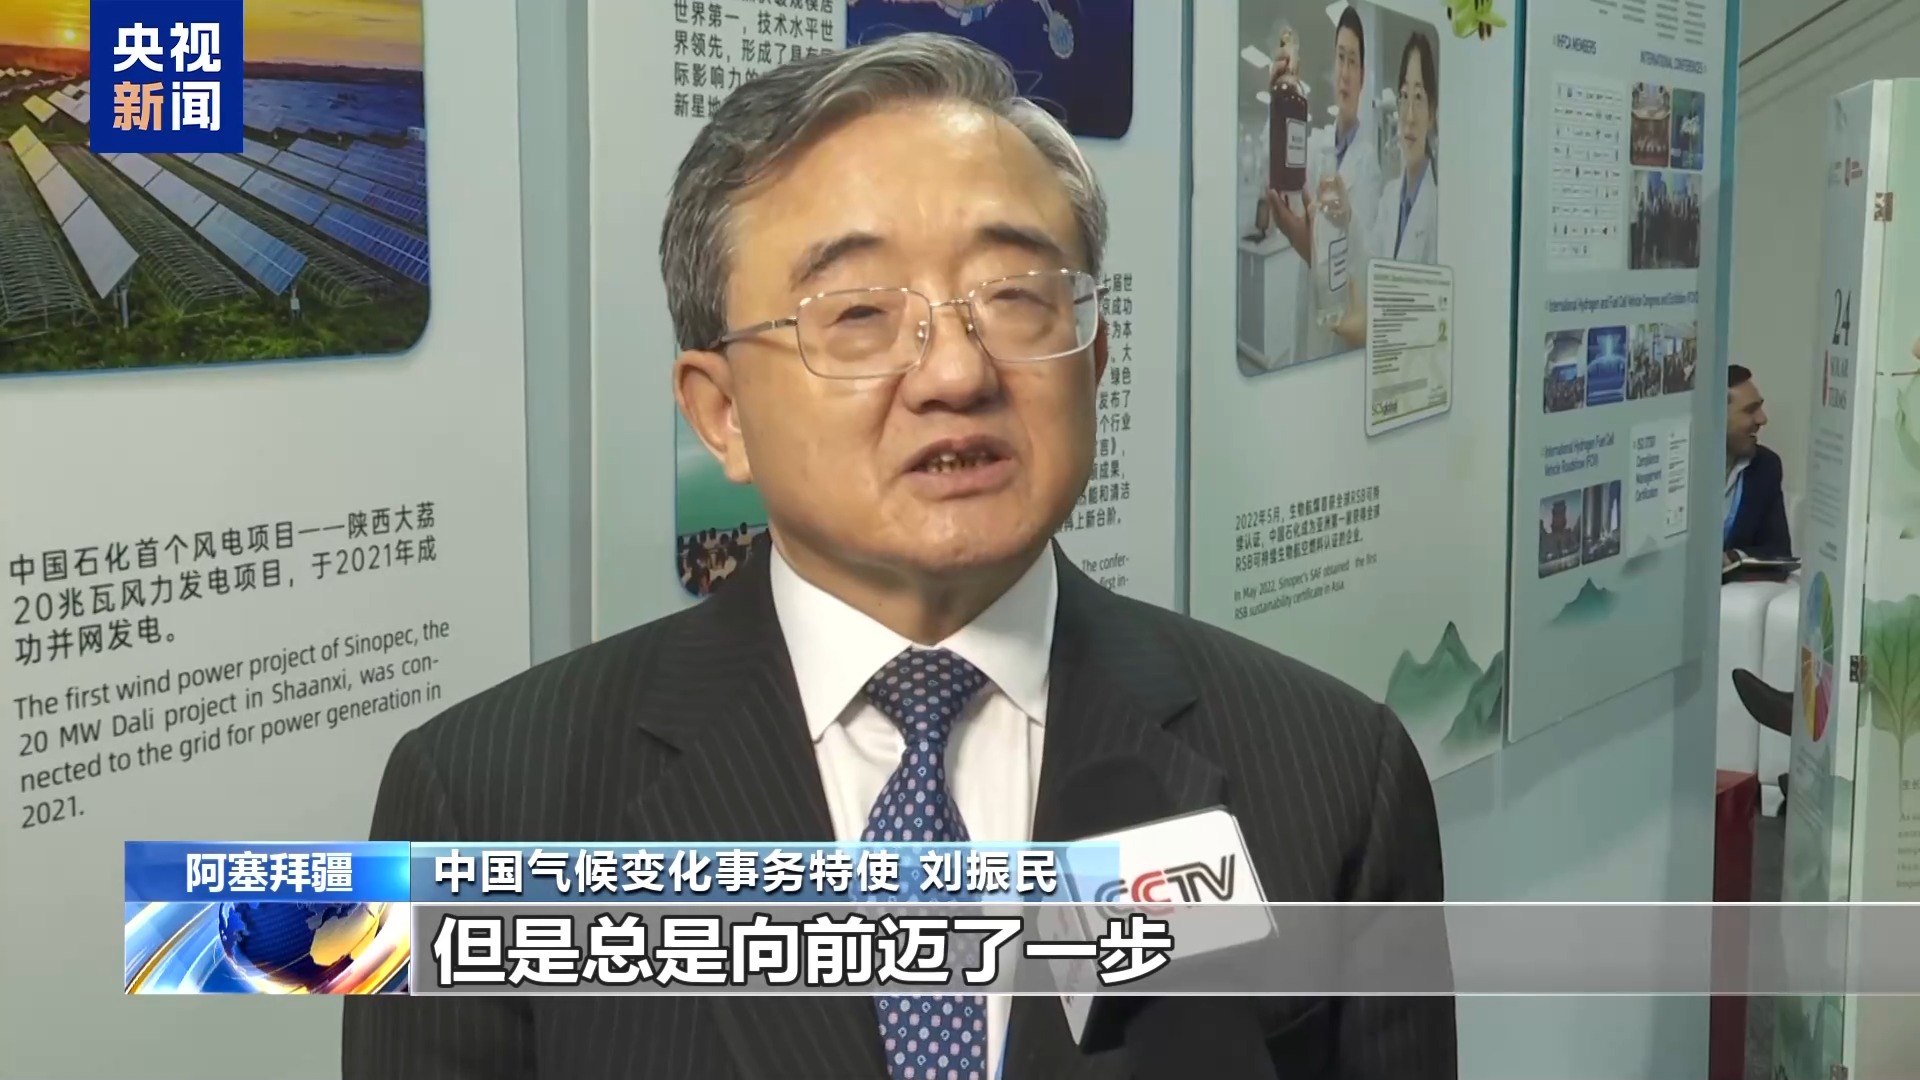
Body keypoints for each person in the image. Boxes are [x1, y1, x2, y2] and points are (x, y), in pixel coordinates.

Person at [342, 34, 1452, 1080]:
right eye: (860, 313)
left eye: (1015, 296)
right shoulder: (482, 806)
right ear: (721, 413)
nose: (957, 373)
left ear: (1093, 355)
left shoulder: (1334, 776)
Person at [1258, 6, 1383, 359]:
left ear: (1363, 76)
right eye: (1340, 58)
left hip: (1343, 333)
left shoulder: (1369, 166)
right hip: (1309, 316)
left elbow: (1364, 263)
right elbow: (1277, 177)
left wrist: (1324, 238)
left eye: (1353, 61)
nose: (1345, 72)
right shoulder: (1316, 144)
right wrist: (1280, 99)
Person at [1331, 30, 1439, 346]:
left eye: (1419, 98)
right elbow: (1372, 262)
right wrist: (1348, 218)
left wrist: (1372, 330)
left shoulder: (1441, 208)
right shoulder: (1391, 196)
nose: (1408, 117)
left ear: (1432, 113)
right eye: (1404, 96)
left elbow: (1431, 317)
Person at [1724, 364, 1792, 565]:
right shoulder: (1679, 472)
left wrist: (1732, 558)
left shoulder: (1765, 466)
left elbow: (1779, 552)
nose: (1762, 419)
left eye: (1760, 407)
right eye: (1750, 410)